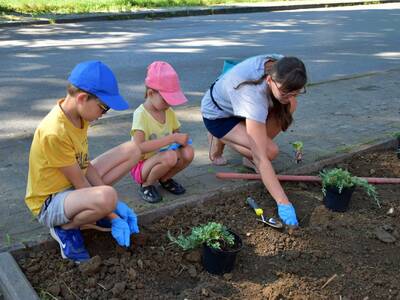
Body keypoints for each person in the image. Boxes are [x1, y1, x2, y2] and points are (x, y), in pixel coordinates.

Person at [25, 60, 189, 263]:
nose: (102, 115)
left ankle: (95, 209)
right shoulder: (54, 132)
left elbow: (85, 165)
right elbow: (80, 183)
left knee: (132, 150)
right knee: (107, 197)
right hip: (50, 202)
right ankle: (66, 229)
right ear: (83, 98)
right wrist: (113, 213)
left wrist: (112, 205)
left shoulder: (79, 117)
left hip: (71, 186)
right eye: (103, 109)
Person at [201, 54, 307, 227]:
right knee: (268, 152)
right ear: (269, 80)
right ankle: (219, 137)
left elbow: (287, 95)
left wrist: (287, 96)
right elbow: (261, 158)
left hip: (238, 103)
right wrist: (283, 201)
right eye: (285, 92)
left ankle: (247, 146)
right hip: (219, 115)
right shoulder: (252, 95)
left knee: (290, 104)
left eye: (296, 91)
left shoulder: (285, 66)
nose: (290, 95)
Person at [130, 61, 194, 203]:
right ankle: (146, 185)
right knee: (170, 156)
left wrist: (182, 140)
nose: (169, 104)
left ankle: (165, 179)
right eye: (166, 100)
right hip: (142, 166)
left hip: (164, 157)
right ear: (151, 93)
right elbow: (139, 147)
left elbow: (176, 135)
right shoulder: (141, 114)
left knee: (188, 152)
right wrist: (172, 139)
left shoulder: (168, 111)